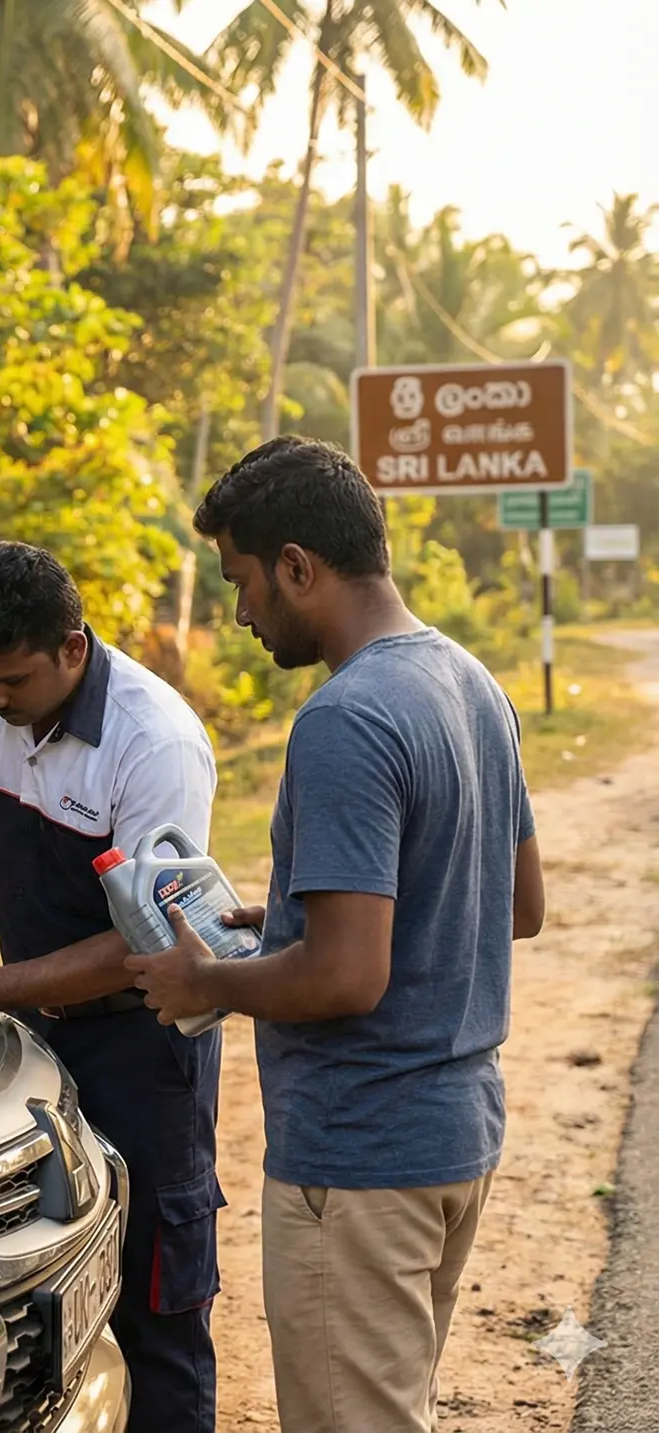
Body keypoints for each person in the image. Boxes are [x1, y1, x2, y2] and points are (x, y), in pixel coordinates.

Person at [126, 437, 544, 1433]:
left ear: (300, 566)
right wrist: (294, 916)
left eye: (242, 581)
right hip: (456, 1139)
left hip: (359, 1160)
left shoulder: (346, 717)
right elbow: (515, 902)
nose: (239, 612)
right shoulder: (470, 681)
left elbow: (349, 977)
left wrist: (208, 983)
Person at [0, 540, 222, 1433]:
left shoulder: (156, 744)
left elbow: (139, 944)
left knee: (151, 1297)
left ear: (72, 647)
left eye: (12, 681)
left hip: (143, 1040)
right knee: (46, 1285)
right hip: (36, 1040)